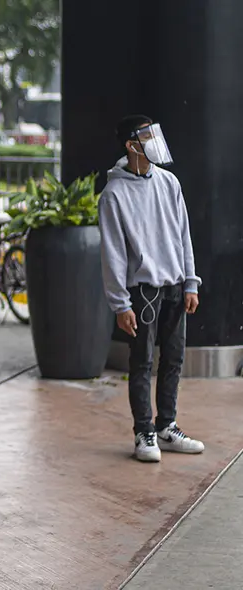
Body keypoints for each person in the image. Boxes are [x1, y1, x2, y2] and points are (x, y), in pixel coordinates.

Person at [100, 114, 204, 463]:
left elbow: (183, 234)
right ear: (132, 145)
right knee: (142, 362)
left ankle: (167, 426)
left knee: (173, 360)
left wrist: (191, 281)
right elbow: (113, 253)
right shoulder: (114, 194)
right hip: (143, 290)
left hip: (175, 284)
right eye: (146, 135)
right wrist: (120, 304)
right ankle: (144, 431)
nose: (154, 139)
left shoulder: (169, 182)